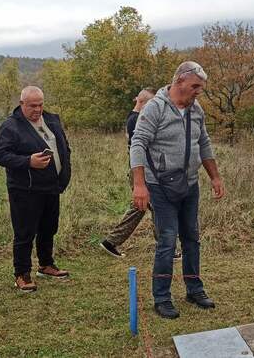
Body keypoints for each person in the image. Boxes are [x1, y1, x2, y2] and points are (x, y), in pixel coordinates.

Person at [130, 61, 225, 319]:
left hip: (190, 184)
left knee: (192, 238)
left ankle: (194, 289)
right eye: (195, 86)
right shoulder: (154, 108)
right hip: (159, 186)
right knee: (168, 240)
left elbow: (203, 142)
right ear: (179, 81)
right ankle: (161, 297)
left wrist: (214, 177)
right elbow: (137, 143)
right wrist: (139, 185)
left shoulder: (196, 110)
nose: (198, 92)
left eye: (201, 88)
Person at [0, 86, 72, 292]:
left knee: (49, 228)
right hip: (25, 189)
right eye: (32, 105)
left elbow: (63, 146)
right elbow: (0, 156)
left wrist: (64, 172)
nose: (37, 109)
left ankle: (46, 265)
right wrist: (28, 161)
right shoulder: (11, 127)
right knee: (25, 232)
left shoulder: (51, 119)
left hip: (51, 186)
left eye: (40, 104)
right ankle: (22, 273)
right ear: (22, 104)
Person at [100, 87, 161, 258]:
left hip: (142, 170)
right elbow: (142, 147)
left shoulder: (134, 117)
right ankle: (166, 248)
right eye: (152, 103)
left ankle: (111, 242)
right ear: (142, 102)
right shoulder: (137, 120)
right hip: (141, 171)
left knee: (141, 207)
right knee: (157, 206)